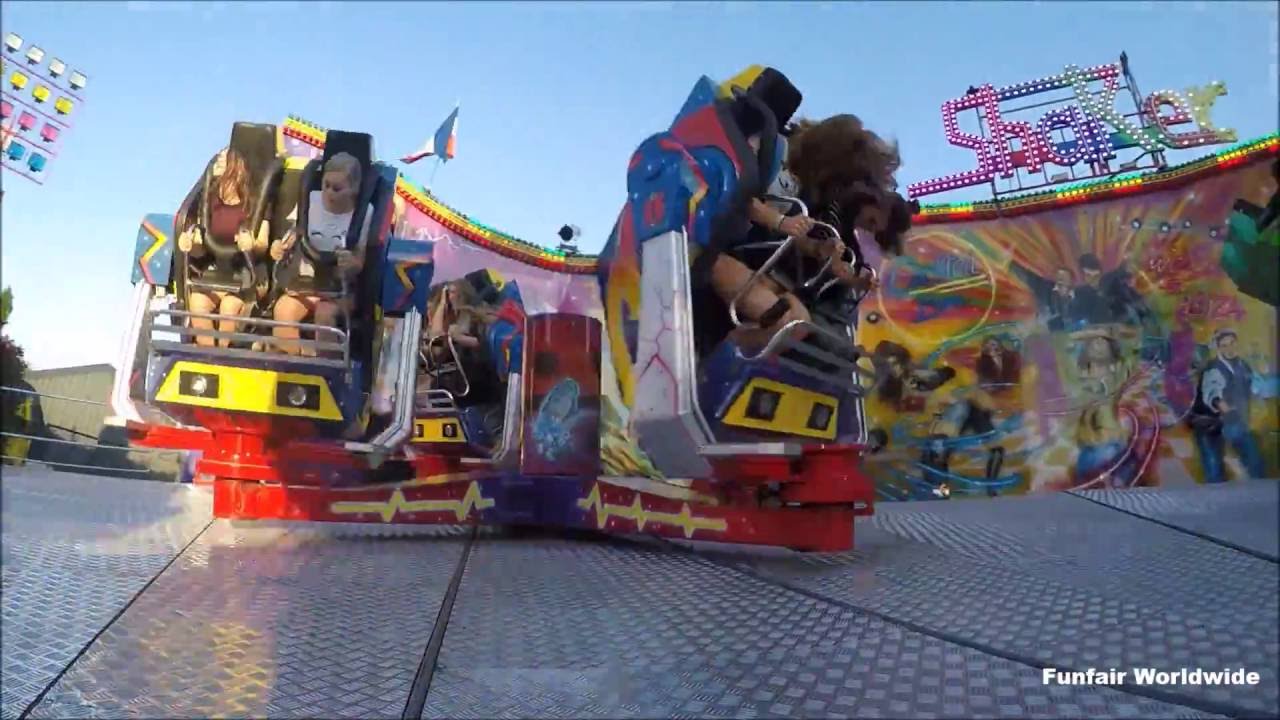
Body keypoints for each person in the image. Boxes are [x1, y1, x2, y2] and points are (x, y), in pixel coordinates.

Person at [269, 152, 373, 356]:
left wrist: (351, 263)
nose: (329, 193)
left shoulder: (363, 213)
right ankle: (291, 366)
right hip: (306, 282)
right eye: (326, 185)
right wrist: (280, 246)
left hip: (340, 288)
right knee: (283, 310)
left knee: (324, 315)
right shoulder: (310, 201)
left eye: (337, 188)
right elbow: (293, 232)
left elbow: (361, 261)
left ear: (353, 189)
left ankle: (327, 373)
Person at [176, 148, 270, 347]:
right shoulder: (209, 202)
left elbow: (263, 244)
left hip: (247, 274)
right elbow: (204, 248)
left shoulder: (255, 203)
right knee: (197, 302)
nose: (218, 161)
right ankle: (208, 355)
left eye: (223, 159)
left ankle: (226, 353)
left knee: (228, 308)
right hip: (218, 271)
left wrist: (252, 245)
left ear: (237, 167)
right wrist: (191, 244)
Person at [1195, 328, 1265, 482]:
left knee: (1255, 464)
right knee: (1214, 472)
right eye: (1224, 345)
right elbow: (1212, 393)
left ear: (1237, 343)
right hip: (1210, 425)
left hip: (1235, 422)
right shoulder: (1213, 367)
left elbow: (1254, 387)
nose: (1229, 348)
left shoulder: (1243, 365)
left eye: (1232, 343)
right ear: (1219, 348)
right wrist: (1223, 406)